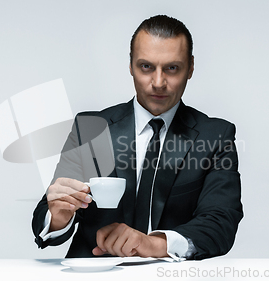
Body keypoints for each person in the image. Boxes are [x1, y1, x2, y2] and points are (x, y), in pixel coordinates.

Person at [32, 15, 243, 260]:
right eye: (146, 67)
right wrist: (58, 216)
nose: (158, 82)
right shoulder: (90, 129)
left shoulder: (216, 136)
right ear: (131, 65)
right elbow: (44, 222)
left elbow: (221, 224)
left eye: (172, 68)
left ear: (191, 68)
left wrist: (152, 244)